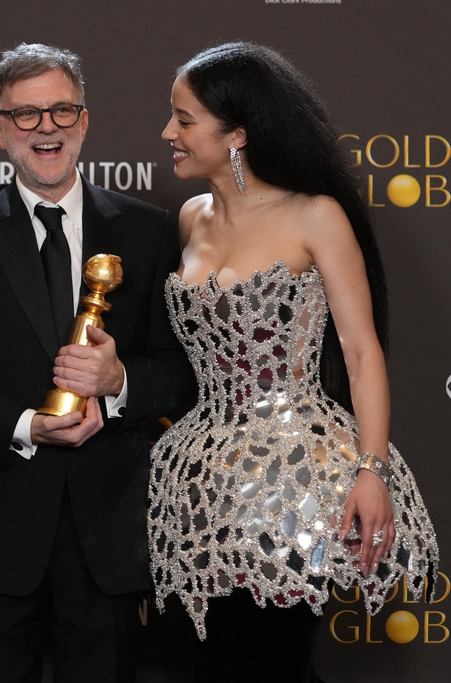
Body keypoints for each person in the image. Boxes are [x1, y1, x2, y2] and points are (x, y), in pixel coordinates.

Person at [0, 43, 196, 683]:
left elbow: (182, 369)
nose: (47, 128)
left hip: (108, 527)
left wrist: (119, 384)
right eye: (26, 116)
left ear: (84, 121)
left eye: (62, 110)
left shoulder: (148, 229)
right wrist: (23, 423)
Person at [149, 42, 440, 681]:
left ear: (239, 135)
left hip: (297, 479)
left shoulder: (315, 216)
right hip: (204, 480)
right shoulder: (191, 217)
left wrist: (373, 470)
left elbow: (362, 355)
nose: (168, 132)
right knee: (213, 661)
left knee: (276, 660)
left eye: (184, 119)